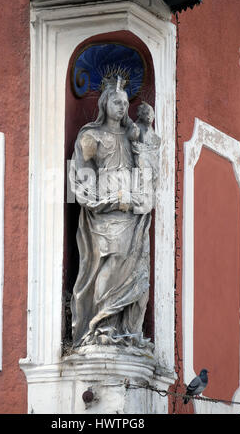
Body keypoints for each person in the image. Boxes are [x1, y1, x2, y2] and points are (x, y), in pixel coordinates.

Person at [69, 78, 155, 351]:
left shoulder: (131, 136)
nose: (122, 107)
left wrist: (146, 131)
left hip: (132, 212)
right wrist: (105, 199)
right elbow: (81, 179)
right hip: (105, 211)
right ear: (104, 103)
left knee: (135, 267)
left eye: (126, 103)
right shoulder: (91, 136)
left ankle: (125, 330)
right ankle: (99, 325)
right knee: (113, 258)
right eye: (117, 102)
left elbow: (148, 169)